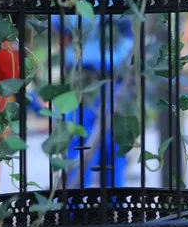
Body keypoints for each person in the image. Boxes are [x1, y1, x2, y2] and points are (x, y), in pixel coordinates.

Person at [28, 14, 135, 188]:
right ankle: (76, 201)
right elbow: (58, 24)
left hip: (112, 85)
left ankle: (114, 203)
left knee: (114, 150)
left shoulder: (117, 9)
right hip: (80, 86)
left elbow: (127, 34)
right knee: (78, 150)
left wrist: (118, 57)